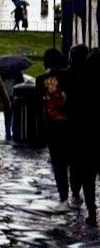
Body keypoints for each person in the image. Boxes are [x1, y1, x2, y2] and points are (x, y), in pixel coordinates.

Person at [64, 45, 98, 229]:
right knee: (90, 175)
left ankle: (89, 210)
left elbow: (65, 104)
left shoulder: (72, 78)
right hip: (93, 132)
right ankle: (92, 212)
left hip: (79, 133)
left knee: (85, 175)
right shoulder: (94, 76)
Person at [38, 49, 72, 207]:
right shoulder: (69, 77)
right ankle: (77, 191)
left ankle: (64, 197)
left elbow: (40, 102)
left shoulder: (41, 80)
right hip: (71, 124)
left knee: (58, 162)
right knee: (73, 160)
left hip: (52, 126)